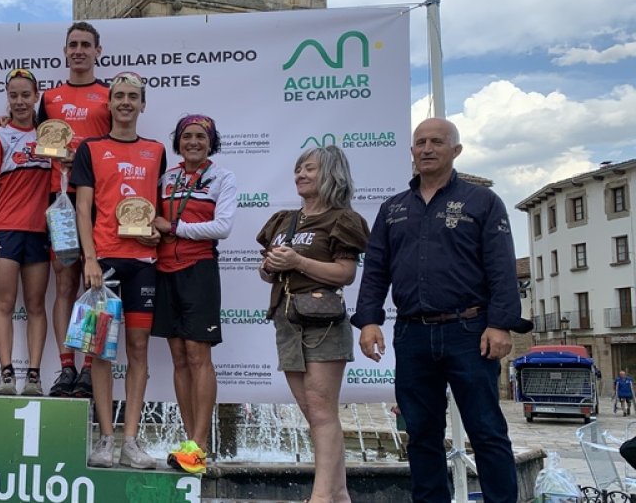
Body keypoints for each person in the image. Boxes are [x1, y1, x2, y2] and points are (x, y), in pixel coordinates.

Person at [353, 118, 530, 503]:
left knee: (486, 429)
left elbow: (501, 267)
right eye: (420, 142)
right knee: (421, 432)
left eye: (437, 141)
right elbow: (376, 270)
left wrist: (500, 324)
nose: (427, 148)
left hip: (469, 331)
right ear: (412, 151)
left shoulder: (482, 202)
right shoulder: (393, 208)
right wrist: (368, 320)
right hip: (413, 335)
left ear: (456, 150)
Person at [256, 145, 369, 502]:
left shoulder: (342, 219)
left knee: (322, 412)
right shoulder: (282, 219)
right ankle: (339, 494)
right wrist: (270, 266)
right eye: (298, 169)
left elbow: (345, 274)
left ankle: (321, 497)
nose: (301, 175)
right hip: (286, 322)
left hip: (322, 323)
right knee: (312, 413)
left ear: (331, 175)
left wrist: (298, 262)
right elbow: (267, 271)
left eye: (310, 169)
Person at [71, 71, 166, 469]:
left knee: (139, 349)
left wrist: (157, 234)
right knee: (100, 351)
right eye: (119, 96)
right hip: (104, 262)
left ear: (143, 104)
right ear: (108, 104)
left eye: (133, 96)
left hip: (143, 264)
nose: (126, 102)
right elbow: (82, 209)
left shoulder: (157, 150)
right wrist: (90, 258)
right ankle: (105, 439)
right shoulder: (91, 149)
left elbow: (158, 210)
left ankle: (130, 441)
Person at [150, 115, 237, 475]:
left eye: (201, 137)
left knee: (199, 356)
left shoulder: (223, 177)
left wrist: (174, 228)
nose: (193, 142)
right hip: (164, 272)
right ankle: (189, 442)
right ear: (178, 141)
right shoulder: (166, 179)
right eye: (187, 136)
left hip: (199, 270)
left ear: (211, 142)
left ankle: (199, 448)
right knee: (180, 358)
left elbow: (223, 227)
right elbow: (149, 219)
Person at [39, 22, 112, 399]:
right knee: (64, 283)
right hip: (61, 198)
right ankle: (66, 367)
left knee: (95, 284)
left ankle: (89, 368)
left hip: (101, 200)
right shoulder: (50, 97)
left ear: (99, 50)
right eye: (73, 45)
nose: (79, 50)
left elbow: (121, 141)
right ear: (65, 52)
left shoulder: (111, 94)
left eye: (86, 44)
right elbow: (32, 137)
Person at [0, 69, 53, 396]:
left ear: (36, 96)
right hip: (7, 230)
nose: (20, 101)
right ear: (7, 98)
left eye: (26, 95)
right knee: (5, 303)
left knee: (36, 305)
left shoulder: (51, 136)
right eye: (14, 95)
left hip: (40, 230)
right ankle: (7, 374)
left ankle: (34, 376)